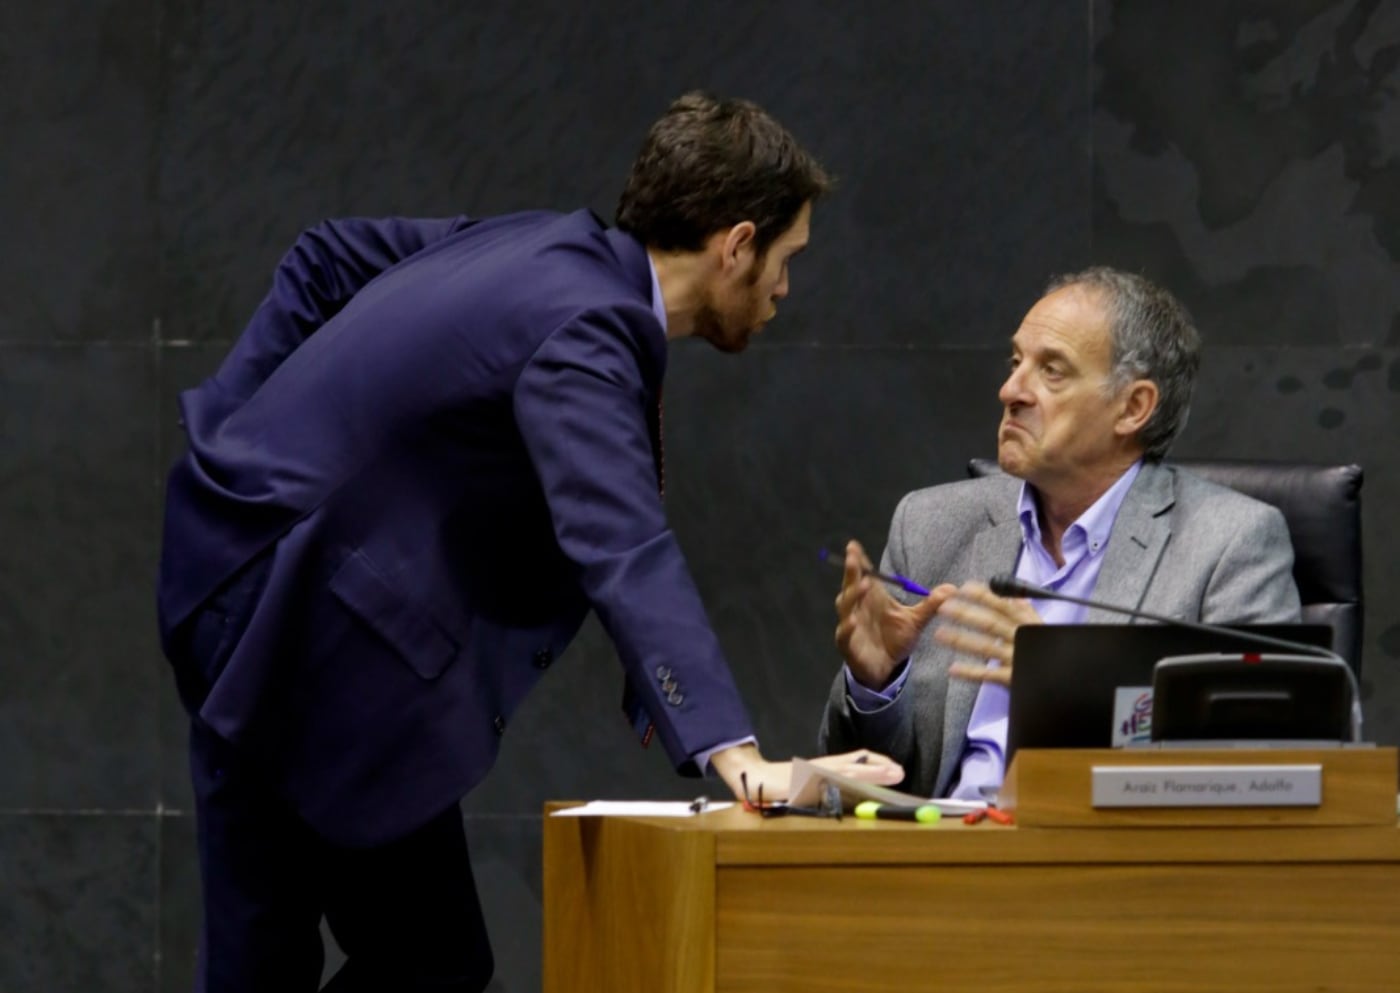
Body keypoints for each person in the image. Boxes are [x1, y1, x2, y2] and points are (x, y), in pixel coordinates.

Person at [157, 92, 901, 993]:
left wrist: (239, 450)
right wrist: (736, 756)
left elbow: (322, 257)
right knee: (416, 960)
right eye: (787, 259)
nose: (786, 287)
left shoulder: (537, 247)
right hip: (301, 650)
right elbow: (620, 542)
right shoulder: (589, 328)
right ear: (735, 244)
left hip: (251, 593)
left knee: (341, 959)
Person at [819, 266, 1301, 799]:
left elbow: (1258, 762)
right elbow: (864, 780)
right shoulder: (932, 524)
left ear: (1133, 407)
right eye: (1015, 361)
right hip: (938, 857)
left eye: (1052, 371)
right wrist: (875, 684)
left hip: (1101, 867)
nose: (1010, 390)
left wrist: (1070, 690)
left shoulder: (1227, 543)